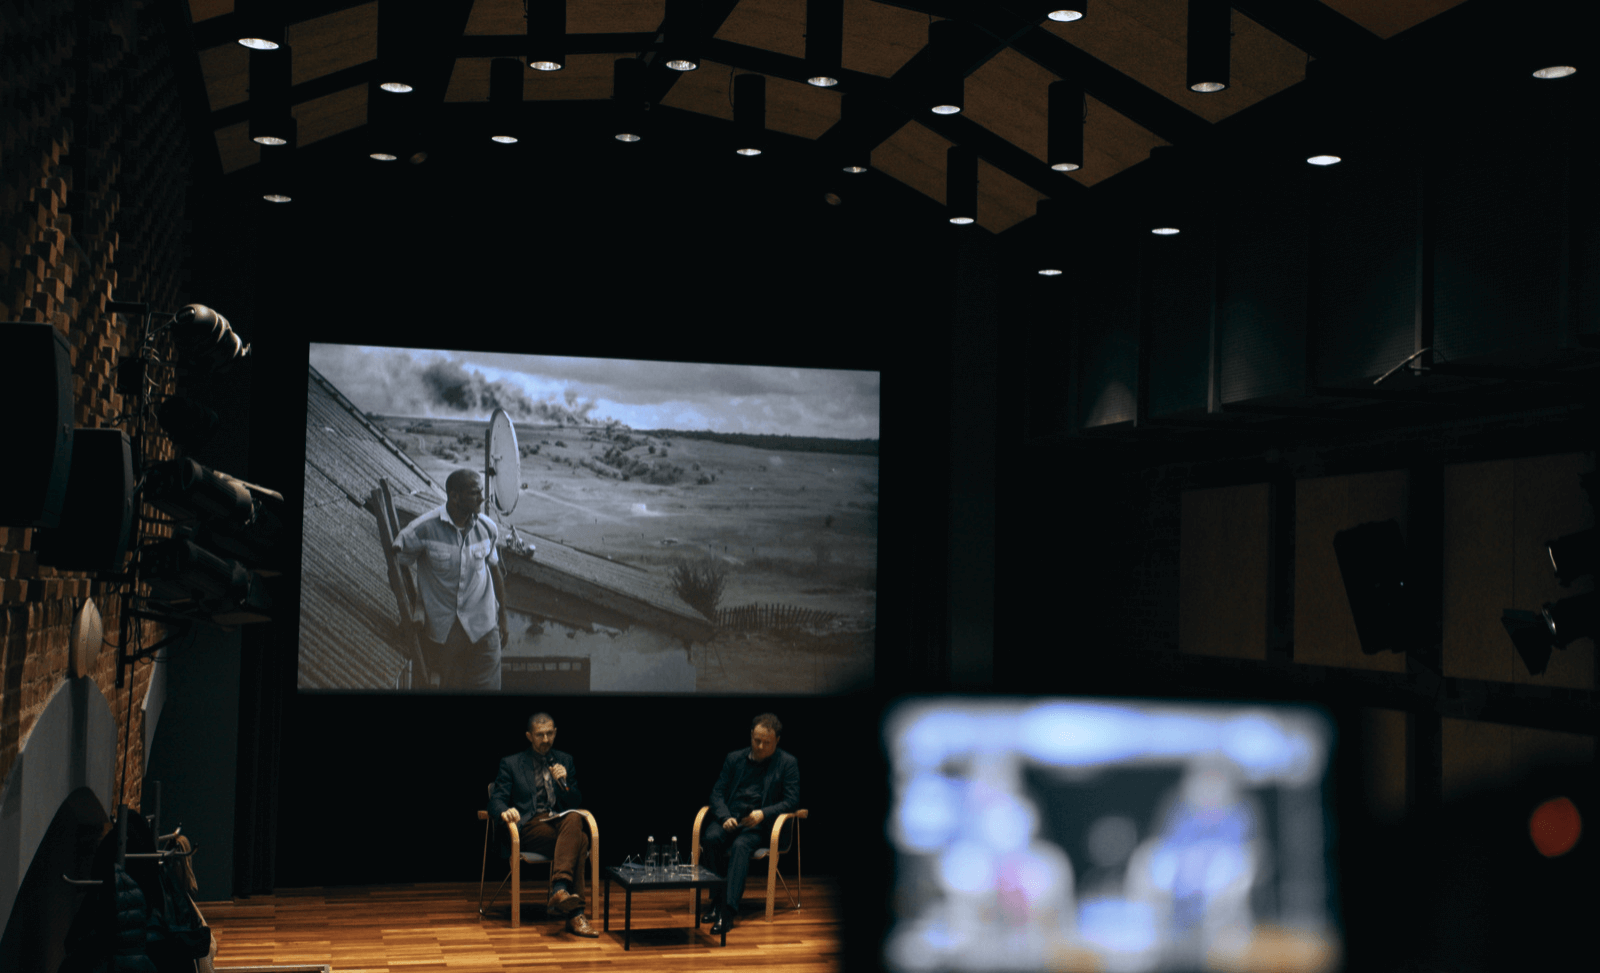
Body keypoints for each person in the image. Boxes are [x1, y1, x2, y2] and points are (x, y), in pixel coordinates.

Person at [392, 469, 510, 690]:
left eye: (481, 492)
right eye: (475, 493)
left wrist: (502, 616)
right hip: (443, 633)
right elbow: (397, 566)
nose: (481, 498)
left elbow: (495, 570)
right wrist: (413, 608)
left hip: (484, 628)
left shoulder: (487, 529)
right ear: (454, 496)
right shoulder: (423, 528)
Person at [487, 713, 597, 937]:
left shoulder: (565, 760)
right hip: (529, 826)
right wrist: (504, 811)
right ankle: (574, 913)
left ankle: (561, 893)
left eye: (549, 733)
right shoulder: (512, 763)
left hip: (560, 825)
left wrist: (564, 785)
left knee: (576, 820)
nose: (545, 739)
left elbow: (575, 801)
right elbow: (496, 799)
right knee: (581, 840)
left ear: (555, 732)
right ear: (529, 736)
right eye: (540, 735)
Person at [698, 713, 801, 933]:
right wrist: (725, 817)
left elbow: (791, 800)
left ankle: (727, 910)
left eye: (767, 742)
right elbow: (717, 792)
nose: (761, 746)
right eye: (757, 740)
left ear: (777, 741)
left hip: (760, 825)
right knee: (711, 837)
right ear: (751, 735)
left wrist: (762, 814)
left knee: (741, 845)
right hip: (732, 817)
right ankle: (716, 901)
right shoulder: (734, 758)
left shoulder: (787, 763)